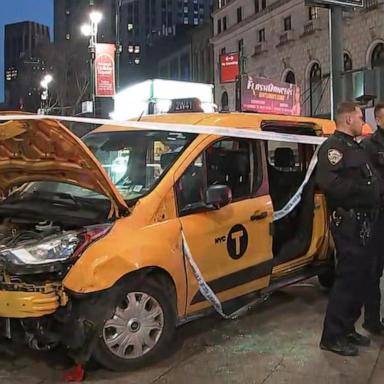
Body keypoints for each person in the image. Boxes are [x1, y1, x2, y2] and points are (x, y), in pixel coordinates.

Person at [316, 101, 381, 356]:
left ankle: (346, 328)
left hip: (365, 223)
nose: (363, 122)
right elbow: (332, 185)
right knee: (347, 280)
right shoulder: (332, 148)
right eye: (359, 117)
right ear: (347, 120)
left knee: (361, 279)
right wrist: (366, 193)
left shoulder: (354, 147)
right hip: (349, 223)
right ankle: (331, 336)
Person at [361, 103, 384, 335]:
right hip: (378, 216)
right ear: (377, 120)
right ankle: (372, 320)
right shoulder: (369, 146)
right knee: (373, 270)